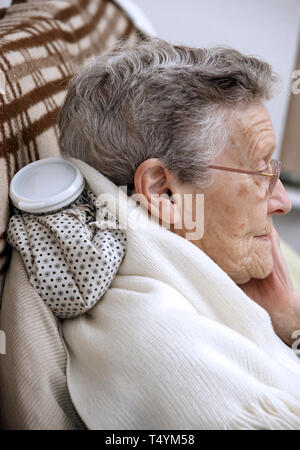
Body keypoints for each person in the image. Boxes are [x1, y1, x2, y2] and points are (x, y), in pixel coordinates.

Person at [58, 37, 299, 347]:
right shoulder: (169, 341)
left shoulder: (254, 277)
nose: (281, 202)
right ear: (164, 192)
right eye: (259, 171)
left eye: (272, 167)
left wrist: (288, 320)